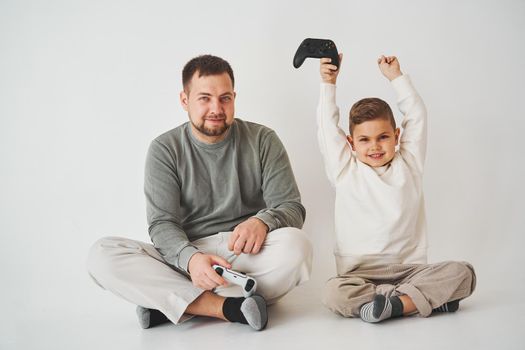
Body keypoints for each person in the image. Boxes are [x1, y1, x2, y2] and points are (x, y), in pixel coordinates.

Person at [87, 54, 312, 331]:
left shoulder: (263, 139)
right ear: (185, 100)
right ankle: (227, 307)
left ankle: (174, 303)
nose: (216, 108)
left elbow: (291, 207)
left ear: (234, 98)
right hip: (190, 254)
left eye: (225, 98)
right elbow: (162, 224)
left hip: (246, 252)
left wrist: (262, 221)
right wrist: (191, 260)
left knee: (297, 247)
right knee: (102, 255)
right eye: (204, 98)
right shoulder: (164, 149)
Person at [317, 53, 476, 323]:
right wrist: (328, 83)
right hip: (359, 275)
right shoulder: (344, 170)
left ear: (397, 136)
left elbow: (417, 115)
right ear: (351, 143)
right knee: (333, 293)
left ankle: (393, 304)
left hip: (410, 270)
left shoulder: (409, 164)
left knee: (463, 273)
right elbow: (325, 127)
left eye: (383, 137)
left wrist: (396, 78)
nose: (375, 146)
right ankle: (415, 301)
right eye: (364, 140)